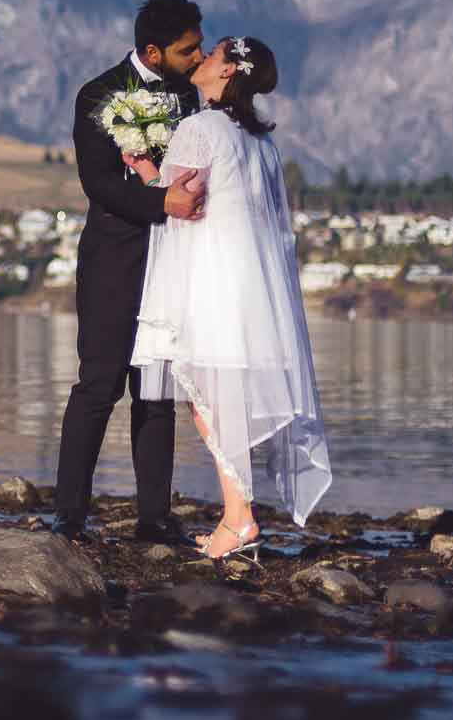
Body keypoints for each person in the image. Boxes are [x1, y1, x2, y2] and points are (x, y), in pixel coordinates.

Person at [125, 35, 333, 559]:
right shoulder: (261, 141)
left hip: (211, 281)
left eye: (212, 55)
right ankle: (239, 515)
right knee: (220, 401)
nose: (201, 60)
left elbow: (178, 202)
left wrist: (142, 165)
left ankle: (240, 519)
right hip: (252, 287)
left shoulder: (199, 129)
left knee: (209, 404)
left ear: (227, 73)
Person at [51, 0, 210, 545]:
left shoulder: (191, 98)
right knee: (98, 386)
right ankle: (68, 517)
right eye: (188, 49)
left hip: (171, 266)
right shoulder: (97, 96)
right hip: (114, 262)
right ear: (153, 49)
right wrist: (162, 201)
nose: (198, 57)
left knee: (157, 392)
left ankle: (154, 519)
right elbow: (98, 185)